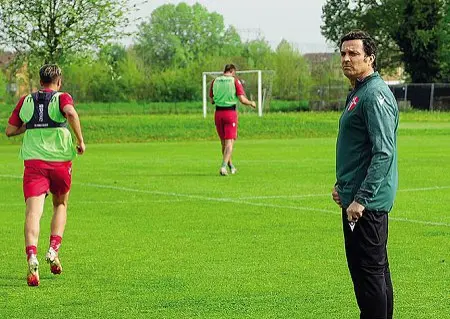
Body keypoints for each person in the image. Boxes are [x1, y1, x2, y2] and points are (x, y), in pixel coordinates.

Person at [332, 30, 398, 319]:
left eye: (353, 53)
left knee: (369, 277)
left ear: (370, 58)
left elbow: (383, 152)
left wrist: (360, 198)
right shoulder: (359, 91)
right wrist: (342, 185)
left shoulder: (374, 95)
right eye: (343, 53)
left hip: (365, 207)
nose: (346, 58)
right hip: (355, 198)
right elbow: (358, 148)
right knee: (375, 272)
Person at [5, 64, 85, 287]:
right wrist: (80, 141)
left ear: (40, 81)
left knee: (33, 212)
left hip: (34, 164)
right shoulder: (62, 98)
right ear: (58, 82)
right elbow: (70, 112)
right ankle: (52, 250)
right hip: (60, 163)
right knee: (60, 205)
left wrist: (29, 125)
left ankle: (32, 257)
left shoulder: (26, 101)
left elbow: (10, 130)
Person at [209, 64, 256, 176]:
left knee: (223, 143)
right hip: (230, 113)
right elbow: (242, 99)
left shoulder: (214, 81)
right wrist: (251, 103)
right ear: (232, 71)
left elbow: (211, 100)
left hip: (218, 114)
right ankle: (223, 167)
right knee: (229, 143)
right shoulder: (234, 81)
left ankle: (231, 166)